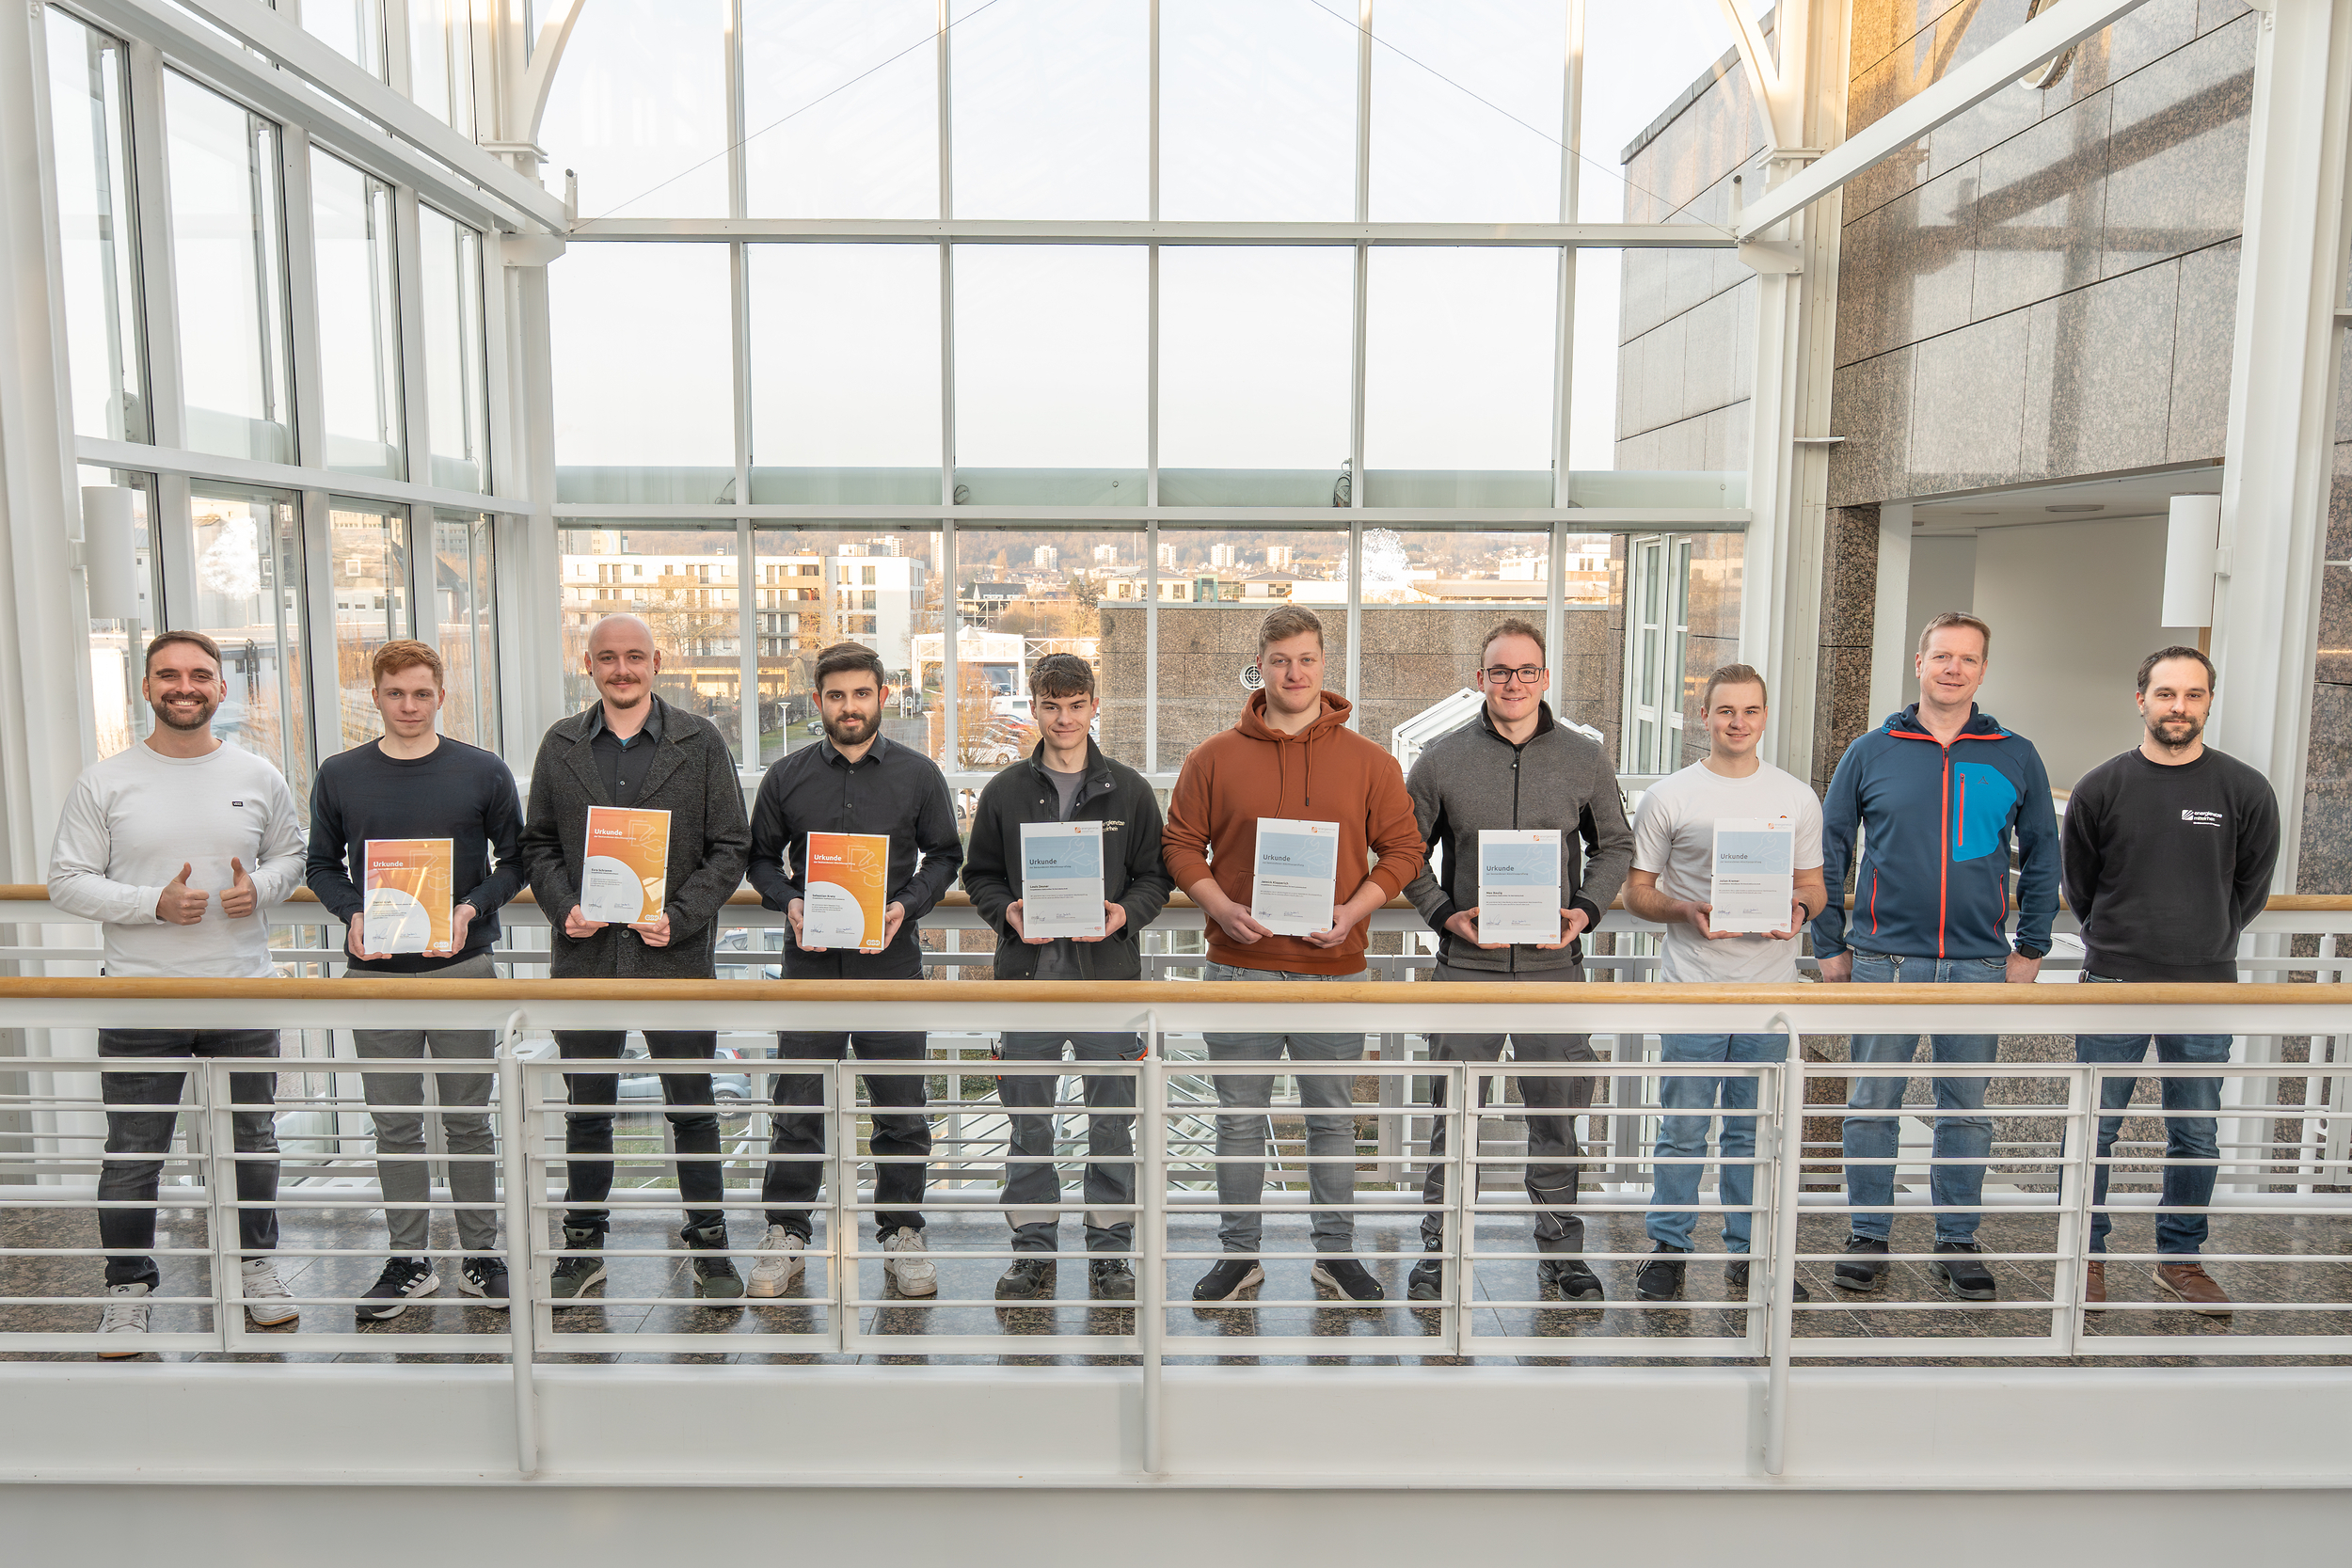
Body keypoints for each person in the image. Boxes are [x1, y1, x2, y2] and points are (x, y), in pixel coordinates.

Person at [50, 630, 308, 1354]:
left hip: (241, 993)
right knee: (134, 1151)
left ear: (221, 688)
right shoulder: (104, 780)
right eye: (169, 675)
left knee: (252, 1140)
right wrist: (151, 904)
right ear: (146, 687)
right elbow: (66, 878)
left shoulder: (259, 774)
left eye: (200, 674)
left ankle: (257, 1268)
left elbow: (292, 854)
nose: (184, 686)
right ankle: (126, 1292)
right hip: (141, 997)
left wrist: (255, 888)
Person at [1161, 605, 1426, 1306]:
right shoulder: (1212, 757)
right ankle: (1238, 1255)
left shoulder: (1370, 761)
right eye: (1281, 660)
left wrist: (1354, 912)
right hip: (1238, 965)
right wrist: (1218, 905)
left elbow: (1404, 849)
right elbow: (1180, 845)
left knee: (1333, 1119)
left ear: (1322, 664)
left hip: (1333, 970)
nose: (1295, 672)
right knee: (1239, 1118)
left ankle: (1335, 1255)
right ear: (1261, 665)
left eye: (1306, 658)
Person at [1813, 611, 2059, 1300]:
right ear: (1918, 663)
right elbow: (1831, 851)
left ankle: (1957, 1237)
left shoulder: (2015, 753)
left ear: (1983, 671)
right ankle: (1867, 1233)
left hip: (1979, 962)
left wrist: (2031, 947)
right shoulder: (1872, 749)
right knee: (1870, 1104)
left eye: (1968, 659)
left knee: (1967, 1110)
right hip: (1882, 957)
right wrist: (1828, 942)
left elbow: (2043, 854)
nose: (1953, 668)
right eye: (1941, 656)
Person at [519, 614, 753, 1304]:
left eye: (635, 658)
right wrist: (564, 906)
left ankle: (710, 1242)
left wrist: (679, 918)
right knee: (586, 1108)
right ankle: (582, 1246)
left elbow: (731, 846)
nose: (623, 670)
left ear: (657, 662)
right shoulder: (560, 743)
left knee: (694, 1106)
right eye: (608, 659)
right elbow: (537, 845)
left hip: (674, 961)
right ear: (587, 664)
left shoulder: (700, 741)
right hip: (586, 960)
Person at [1400, 618, 1632, 1305]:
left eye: (1527, 670)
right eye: (1500, 671)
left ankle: (1563, 1253)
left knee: (1558, 1116)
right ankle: (1440, 1254)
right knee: (1455, 1118)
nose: (1513, 682)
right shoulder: (1440, 760)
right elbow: (1404, 853)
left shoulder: (1585, 758)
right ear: (1481, 678)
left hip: (1554, 974)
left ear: (1545, 678)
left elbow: (1615, 844)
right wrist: (1445, 914)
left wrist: (1585, 909)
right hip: (1465, 972)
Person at [306, 640, 525, 1320]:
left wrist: (470, 907)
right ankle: (408, 1259)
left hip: (463, 968)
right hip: (376, 976)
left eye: (421, 693)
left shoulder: (483, 771)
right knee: (394, 1123)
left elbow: (515, 862)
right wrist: (351, 913)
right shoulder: (341, 774)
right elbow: (319, 864)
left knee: (468, 1123)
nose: (408, 705)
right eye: (396, 693)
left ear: (440, 696)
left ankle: (482, 1256)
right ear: (375, 695)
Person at [2063, 646, 2278, 1318]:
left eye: (2192, 694)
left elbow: (2250, 887)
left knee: (2196, 1132)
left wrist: (2203, 938)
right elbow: (2082, 886)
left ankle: (2180, 1259)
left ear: (2209, 701)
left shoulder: (2243, 790)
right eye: (2165, 694)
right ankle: (2085, 1257)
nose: (2178, 707)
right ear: (2141, 700)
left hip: (2204, 985)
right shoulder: (2102, 787)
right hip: (2115, 980)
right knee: (2095, 1126)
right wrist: (2127, 939)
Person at [744, 642, 963, 1300]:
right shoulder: (785, 778)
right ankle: (786, 1232)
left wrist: (907, 905)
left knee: (900, 1104)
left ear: (882, 697)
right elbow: (756, 860)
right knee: (797, 1106)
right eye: (835, 695)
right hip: (808, 965)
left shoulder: (920, 776)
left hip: (890, 964)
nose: (848, 707)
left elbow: (946, 856)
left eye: (860, 694)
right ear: (818, 702)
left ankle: (901, 1231)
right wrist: (791, 903)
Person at [962, 654, 1172, 1302]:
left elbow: (1155, 877)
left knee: (1112, 1121)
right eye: (1051, 705)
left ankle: (1110, 1252)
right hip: (1028, 982)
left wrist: (1122, 915)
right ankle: (1033, 1250)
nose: (1063, 718)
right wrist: (1008, 913)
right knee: (1029, 1122)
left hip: (1106, 983)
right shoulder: (1004, 792)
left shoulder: (1130, 790)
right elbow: (981, 875)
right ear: (1035, 707)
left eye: (1075, 704)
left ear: (1093, 706)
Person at [1624, 665, 1825, 1302]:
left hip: (1771, 993)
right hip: (1694, 986)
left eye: (1751, 710)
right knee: (1683, 1125)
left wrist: (1801, 912)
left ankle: (1752, 1251)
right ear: (1703, 716)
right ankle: (1669, 1248)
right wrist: (1684, 909)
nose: (1738, 721)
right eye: (1726, 710)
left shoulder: (1796, 797)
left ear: (1765, 717)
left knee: (1755, 1129)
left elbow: (1814, 887)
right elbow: (1637, 892)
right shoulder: (1671, 795)